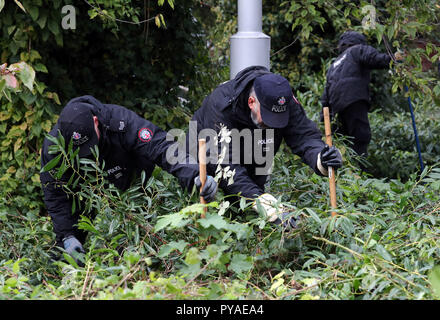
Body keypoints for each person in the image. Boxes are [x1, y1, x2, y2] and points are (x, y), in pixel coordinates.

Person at [40, 95, 217, 263]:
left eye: (90, 145)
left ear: (96, 122)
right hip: (88, 189)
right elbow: (55, 194)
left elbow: (161, 147)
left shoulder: (120, 121)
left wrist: (194, 173)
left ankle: (145, 260)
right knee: (68, 241)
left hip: (133, 177)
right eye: (82, 150)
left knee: (144, 232)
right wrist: (67, 236)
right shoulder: (54, 147)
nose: (89, 154)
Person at [188, 66, 343, 229]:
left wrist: (321, 158)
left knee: (252, 221)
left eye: (279, 119)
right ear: (251, 102)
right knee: (214, 218)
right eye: (268, 117)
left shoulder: (284, 99)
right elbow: (227, 166)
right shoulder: (221, 106)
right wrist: (269, 207)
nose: (272, 125)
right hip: (206, 168)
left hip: (254, 160)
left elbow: (304, 136)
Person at [320, 30, 401, 160]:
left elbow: (325, 96)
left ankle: (349, 172)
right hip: (354, 98)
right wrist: (394, 59)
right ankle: (361, 171)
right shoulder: (357, 50)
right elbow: (375, 59)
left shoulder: (334, 64)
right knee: (360, 137)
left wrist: (323, 120)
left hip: (337, 107)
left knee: (345, 140)